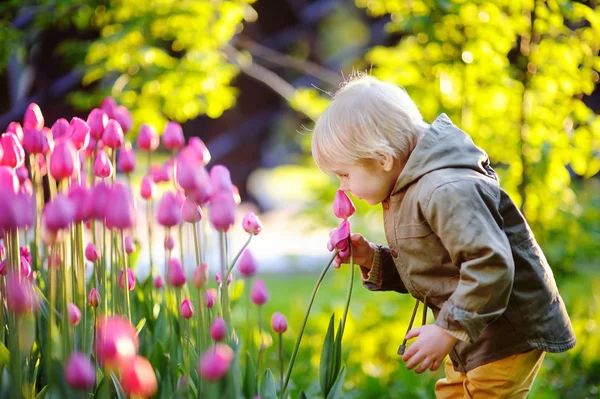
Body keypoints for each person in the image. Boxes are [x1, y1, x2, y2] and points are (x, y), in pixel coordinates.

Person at [311, 73, 576, 398]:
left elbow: (490, 266)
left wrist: (446, 330)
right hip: (470, 331)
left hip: (504, 334)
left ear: (382, 159)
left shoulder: (446, 190)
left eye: (344, 174)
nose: (343, 187)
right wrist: (370, 258)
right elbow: (436, 265)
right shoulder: (407, 187)